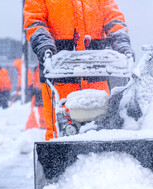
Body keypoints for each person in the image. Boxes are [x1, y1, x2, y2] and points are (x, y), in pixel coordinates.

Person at [23, 0, 134, 140]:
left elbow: (113, 18)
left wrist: (121, 42)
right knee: (60, 131)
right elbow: (35, 21)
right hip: (58, 75)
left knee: (101, 129)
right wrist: (44, 45)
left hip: (96, 73)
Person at [25, 65, 46, 130]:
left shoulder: (39, 70)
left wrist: (34, 88)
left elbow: (39, 82)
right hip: (40, 93)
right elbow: (36, 81)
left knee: (42, 110)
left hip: (40, 93)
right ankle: (42, 125)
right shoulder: (38, 69)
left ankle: (43, 126)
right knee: (41, 110)